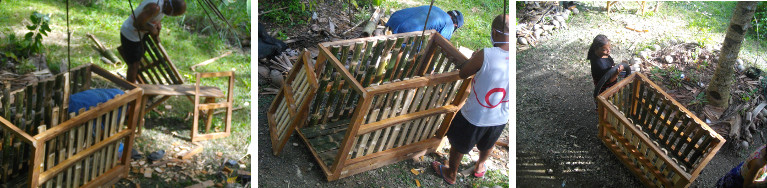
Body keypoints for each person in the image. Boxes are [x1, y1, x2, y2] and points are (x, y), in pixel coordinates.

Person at [431, 14, 509, 185]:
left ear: (495, 33)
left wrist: (475, 59)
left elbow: (463, 72)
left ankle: (451, 173)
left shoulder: (486, 54)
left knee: (459, 144)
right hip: (500, 116)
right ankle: (480, 166)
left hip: (475, 115)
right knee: (488, 143)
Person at [120, 0, 187, 83]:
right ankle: (129, 87)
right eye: (174, 13)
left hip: (139, 35)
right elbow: (136, 24)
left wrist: (157, 24)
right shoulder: (154, 8)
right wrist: (151, 29)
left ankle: (132, 82)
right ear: (170, 7)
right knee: (134, 64)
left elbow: (153, 17)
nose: (172, 15)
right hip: (130, 34)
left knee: (139, 57)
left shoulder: (164, 6)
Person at [385, 5, 463, 40]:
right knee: (424, 46)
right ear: (455, 25)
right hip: (404, 32)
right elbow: (439, 45)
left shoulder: (435, 8)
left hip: (394, 19)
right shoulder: (449, 25)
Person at [587, 34, 623, 108]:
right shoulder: (600, 65)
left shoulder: (597, 54)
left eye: (609, 47)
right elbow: (609, 81)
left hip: (603, 74)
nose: (608, 51)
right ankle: (601, 108)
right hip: (603, 82)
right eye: (604, 49)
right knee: (603, 97)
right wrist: (616, 73)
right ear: (596, 49)